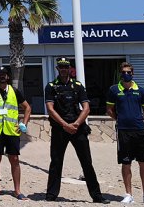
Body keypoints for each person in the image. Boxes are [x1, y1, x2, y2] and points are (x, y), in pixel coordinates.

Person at [44, 57, 108, 204]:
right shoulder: (51, 86)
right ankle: (51, 195)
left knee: (86, 162)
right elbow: (50, 109)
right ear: (57, 69)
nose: (64, 69)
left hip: (77, 128)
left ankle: (97, 195)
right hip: (60, 129)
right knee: (56, 162)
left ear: (70, 68)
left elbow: (86, 107)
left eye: (66, 67)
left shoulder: (78, 86)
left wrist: (76, 124)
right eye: (61, 67)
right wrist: (65, 125)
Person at [106, 62, 144, 204]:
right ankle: (128, 194)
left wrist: (137, 119)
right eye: (123, 72)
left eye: (128, 72)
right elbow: (109, 109)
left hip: (140, 131)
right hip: (123, 131)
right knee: (126, 163)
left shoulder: (141, 91)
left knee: (143, 162)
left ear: (133, 74)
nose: (126, 74)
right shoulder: (114, 90)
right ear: (120, 74)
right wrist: (120, 119)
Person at [0, 66, 32, 201]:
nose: (1, 76)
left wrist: (23, 124)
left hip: (12, 131)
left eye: (4, 74)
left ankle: (17, 190)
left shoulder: (15, 91)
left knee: (15, 159)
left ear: (8, 77)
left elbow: (27, 107)